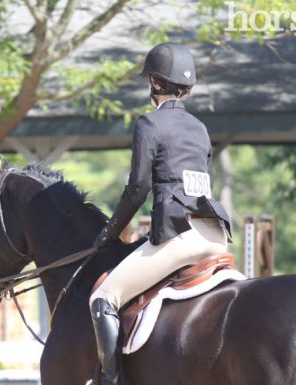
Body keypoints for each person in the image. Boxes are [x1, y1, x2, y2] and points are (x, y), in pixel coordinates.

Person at [89, 42, 232, 385]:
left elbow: (137, 189)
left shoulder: (149, 124)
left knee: (103, 297)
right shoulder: (199, 128)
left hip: (180, 238)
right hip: (216, 236)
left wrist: (108, 233)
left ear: (154, 83)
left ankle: (110, 381)